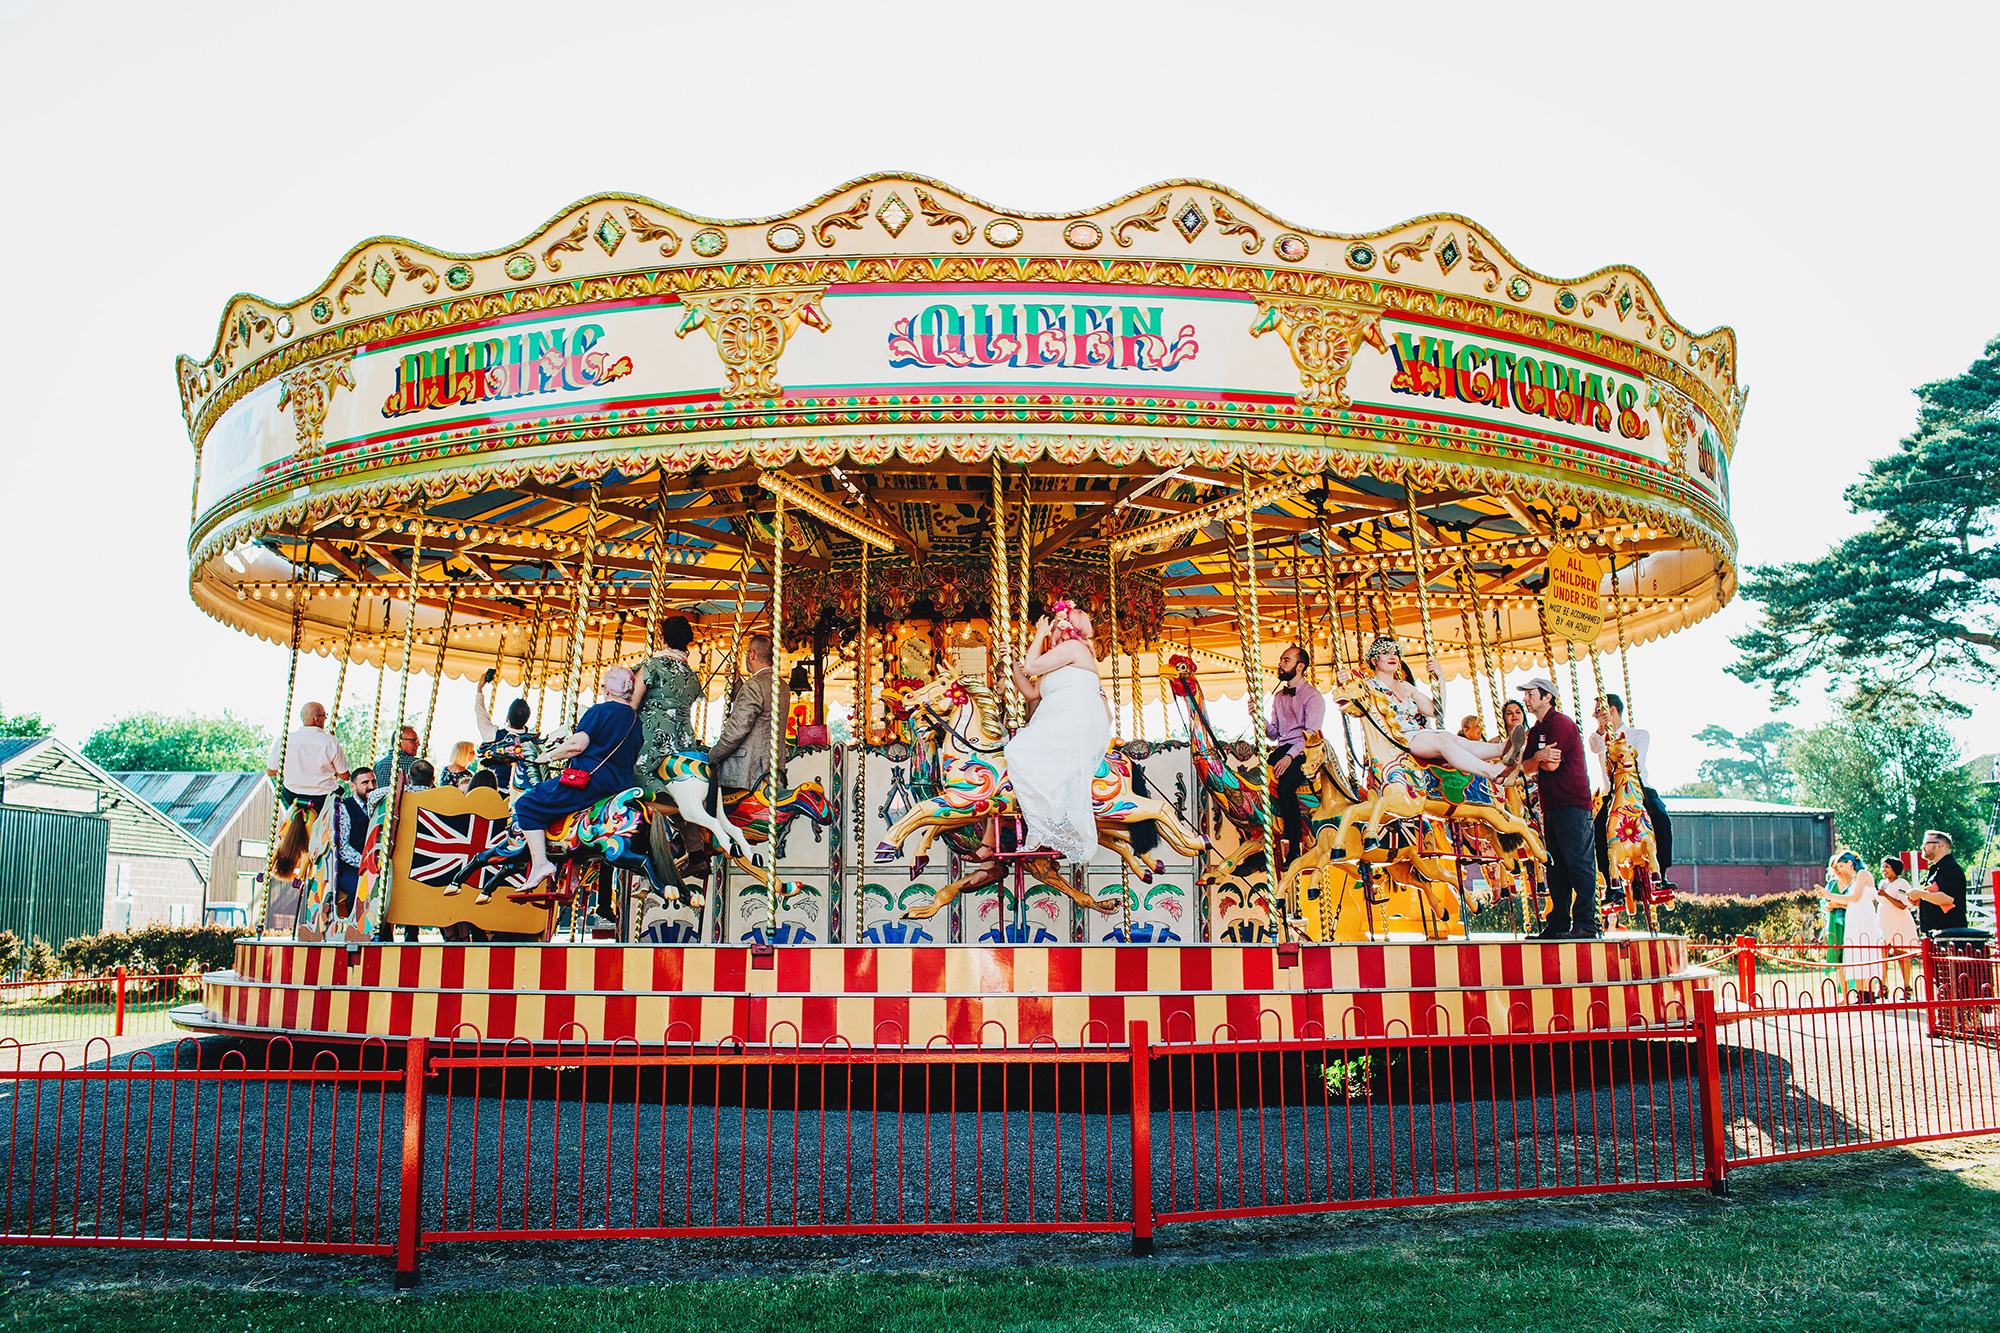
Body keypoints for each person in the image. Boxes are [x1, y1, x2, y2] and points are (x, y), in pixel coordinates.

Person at [507, 666, 644, 892]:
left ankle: (540, 863)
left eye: (604, 683)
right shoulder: (636, 721)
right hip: (619, 788)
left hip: (590, 782)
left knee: (527, 804)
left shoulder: (600, 711)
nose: (601, 687)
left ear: (609, 687)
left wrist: (547, 756)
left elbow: (577, 745)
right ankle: (573, 872)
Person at [1003, 600, 1110, 864]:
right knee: (1021, 751)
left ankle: (1047, 821)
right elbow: (1030, 692)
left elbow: (1032, 667)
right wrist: (1013, 661)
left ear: (1061, 627)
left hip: (1074, 719)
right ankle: (1041, 825)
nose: (1049, 630)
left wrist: (1037, 635)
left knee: (1018, 749)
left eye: (1051, 626)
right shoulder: (1058, 662)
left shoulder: (1074, 648)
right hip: (1061, 718)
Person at [1336, 638, 1526, 781]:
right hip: (1395, 739)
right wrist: (1342, 684)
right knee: (1442, 739)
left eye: (1395, 653)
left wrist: (1441, 678)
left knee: (1451, 737)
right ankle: (1492, 771)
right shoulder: (1366, 686)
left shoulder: (1405, 686)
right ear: (1374, 660)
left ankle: (1502, 749)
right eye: (1386, 653)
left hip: (1418, 735)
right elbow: (1349, 704)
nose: (1392, 656)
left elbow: (1437, 712)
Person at [1516, 677, 1596, 939]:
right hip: (1551, 806)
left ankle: (1586, 923)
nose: (1526, 698)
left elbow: (1551, 766)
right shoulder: (1537, 730)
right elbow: (1525, 767)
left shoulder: (1560, 723)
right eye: (1525, 694)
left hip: (1572, 803)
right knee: (1556, 866)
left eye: (1530, 694)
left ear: (1547, 697)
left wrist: (1536, 761)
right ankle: (1559, 922)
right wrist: (1538, 757)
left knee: (1578, 864)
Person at [1588, 692, 1674, 882]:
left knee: (1661, 817)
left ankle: (1663, 872)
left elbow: (1637, 757)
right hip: (1613, 793)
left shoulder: (1639, 735)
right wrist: (1603, 731)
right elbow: (1594, 747)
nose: (1594, 716)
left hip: (1640, 789)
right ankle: (1610, 882)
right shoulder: (1600, 738)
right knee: (1598, 826)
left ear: (1612, 710)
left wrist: (1617, 745)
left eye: (1598, 711)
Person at [1264, 644, 1325, 869]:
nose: (1280, 664)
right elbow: (1273, 733)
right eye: (1281, 660)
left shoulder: (1313, 696)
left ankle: (1294, 846)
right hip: (1283, 747)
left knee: (1286, 787)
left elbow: (1309, 735)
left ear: (1300, 667)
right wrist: (1257, 718)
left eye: (1286, 660)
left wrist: (1289, 757)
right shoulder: (1279, 696)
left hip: (1305, 751)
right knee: (1259, 782)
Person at [630, 614, 706, 794]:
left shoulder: (653, 665)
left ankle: (665, 799)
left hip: (654, 737)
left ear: (663, 639)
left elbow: (632, 703)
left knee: (631, 772)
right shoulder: (692, 676)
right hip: (684, 741)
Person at [708, 635, 789, 796]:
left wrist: (713, 756)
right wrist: (738, 685)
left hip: (746, 775)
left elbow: (736, 730)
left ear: (751, 654)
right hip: (771, 770)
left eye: (746, 653)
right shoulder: (783, 685)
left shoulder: (754, 685)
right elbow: (762, 713)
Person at [265, 701, 351, 812]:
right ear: (317, 719)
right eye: (325, 716)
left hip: (292, 795)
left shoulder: (285, 740)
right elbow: (345, 776)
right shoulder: (330, 742)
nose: (325, 719)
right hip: (323, 798)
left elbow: (271, 772)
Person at [1822, 850, 1878, 991]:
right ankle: (1861, 992)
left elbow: (1855, 897)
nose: (1840, 870)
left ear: (1849, 863)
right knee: (1855, 954)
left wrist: (1831, 896)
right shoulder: (1855, 878)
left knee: (1865, 952)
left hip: (1863, 914)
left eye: (1841, 866)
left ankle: (1868, 992)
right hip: (1853, 915)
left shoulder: (1863, 874)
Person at [474, 671, 535, 791]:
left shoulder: (493, 735)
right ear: (526, 720)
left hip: (496, 790)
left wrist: (480, 689)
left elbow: (481, 714)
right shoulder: (532, 742)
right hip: (520, 793)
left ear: (507, 717)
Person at [329, 768, 377, 915]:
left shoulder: (378, 807)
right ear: (353, 786)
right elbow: (343, 848)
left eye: (373, 782)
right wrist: (365, 863)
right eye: (365, 783)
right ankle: (354, 929)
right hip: (350, 866)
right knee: (361, 889)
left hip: (373, 864)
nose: (371, 786)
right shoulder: (345, 808)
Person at [1908, 830, 1969, 932]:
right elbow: (1937, 899)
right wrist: (1922, 902)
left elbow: (1948, 899)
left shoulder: (1950, 868)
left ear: (1940, 846)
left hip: (1949, 933)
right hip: (1934, 932)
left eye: (1926, 844)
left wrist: (1920, 894)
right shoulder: (1935, 869)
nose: (1922, 847)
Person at [1876, 855, 1919, 994]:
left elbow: (1902, 905)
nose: (1884, 870)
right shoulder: (1882, 883)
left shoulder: (1902, 883)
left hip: (1899, 919)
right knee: (1882, 953)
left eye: (1887, 867)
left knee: (1901, 953)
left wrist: (1886, 896)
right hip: (1883, 919)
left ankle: (1907, 987)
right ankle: (1882, 986)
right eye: (1883, 867)